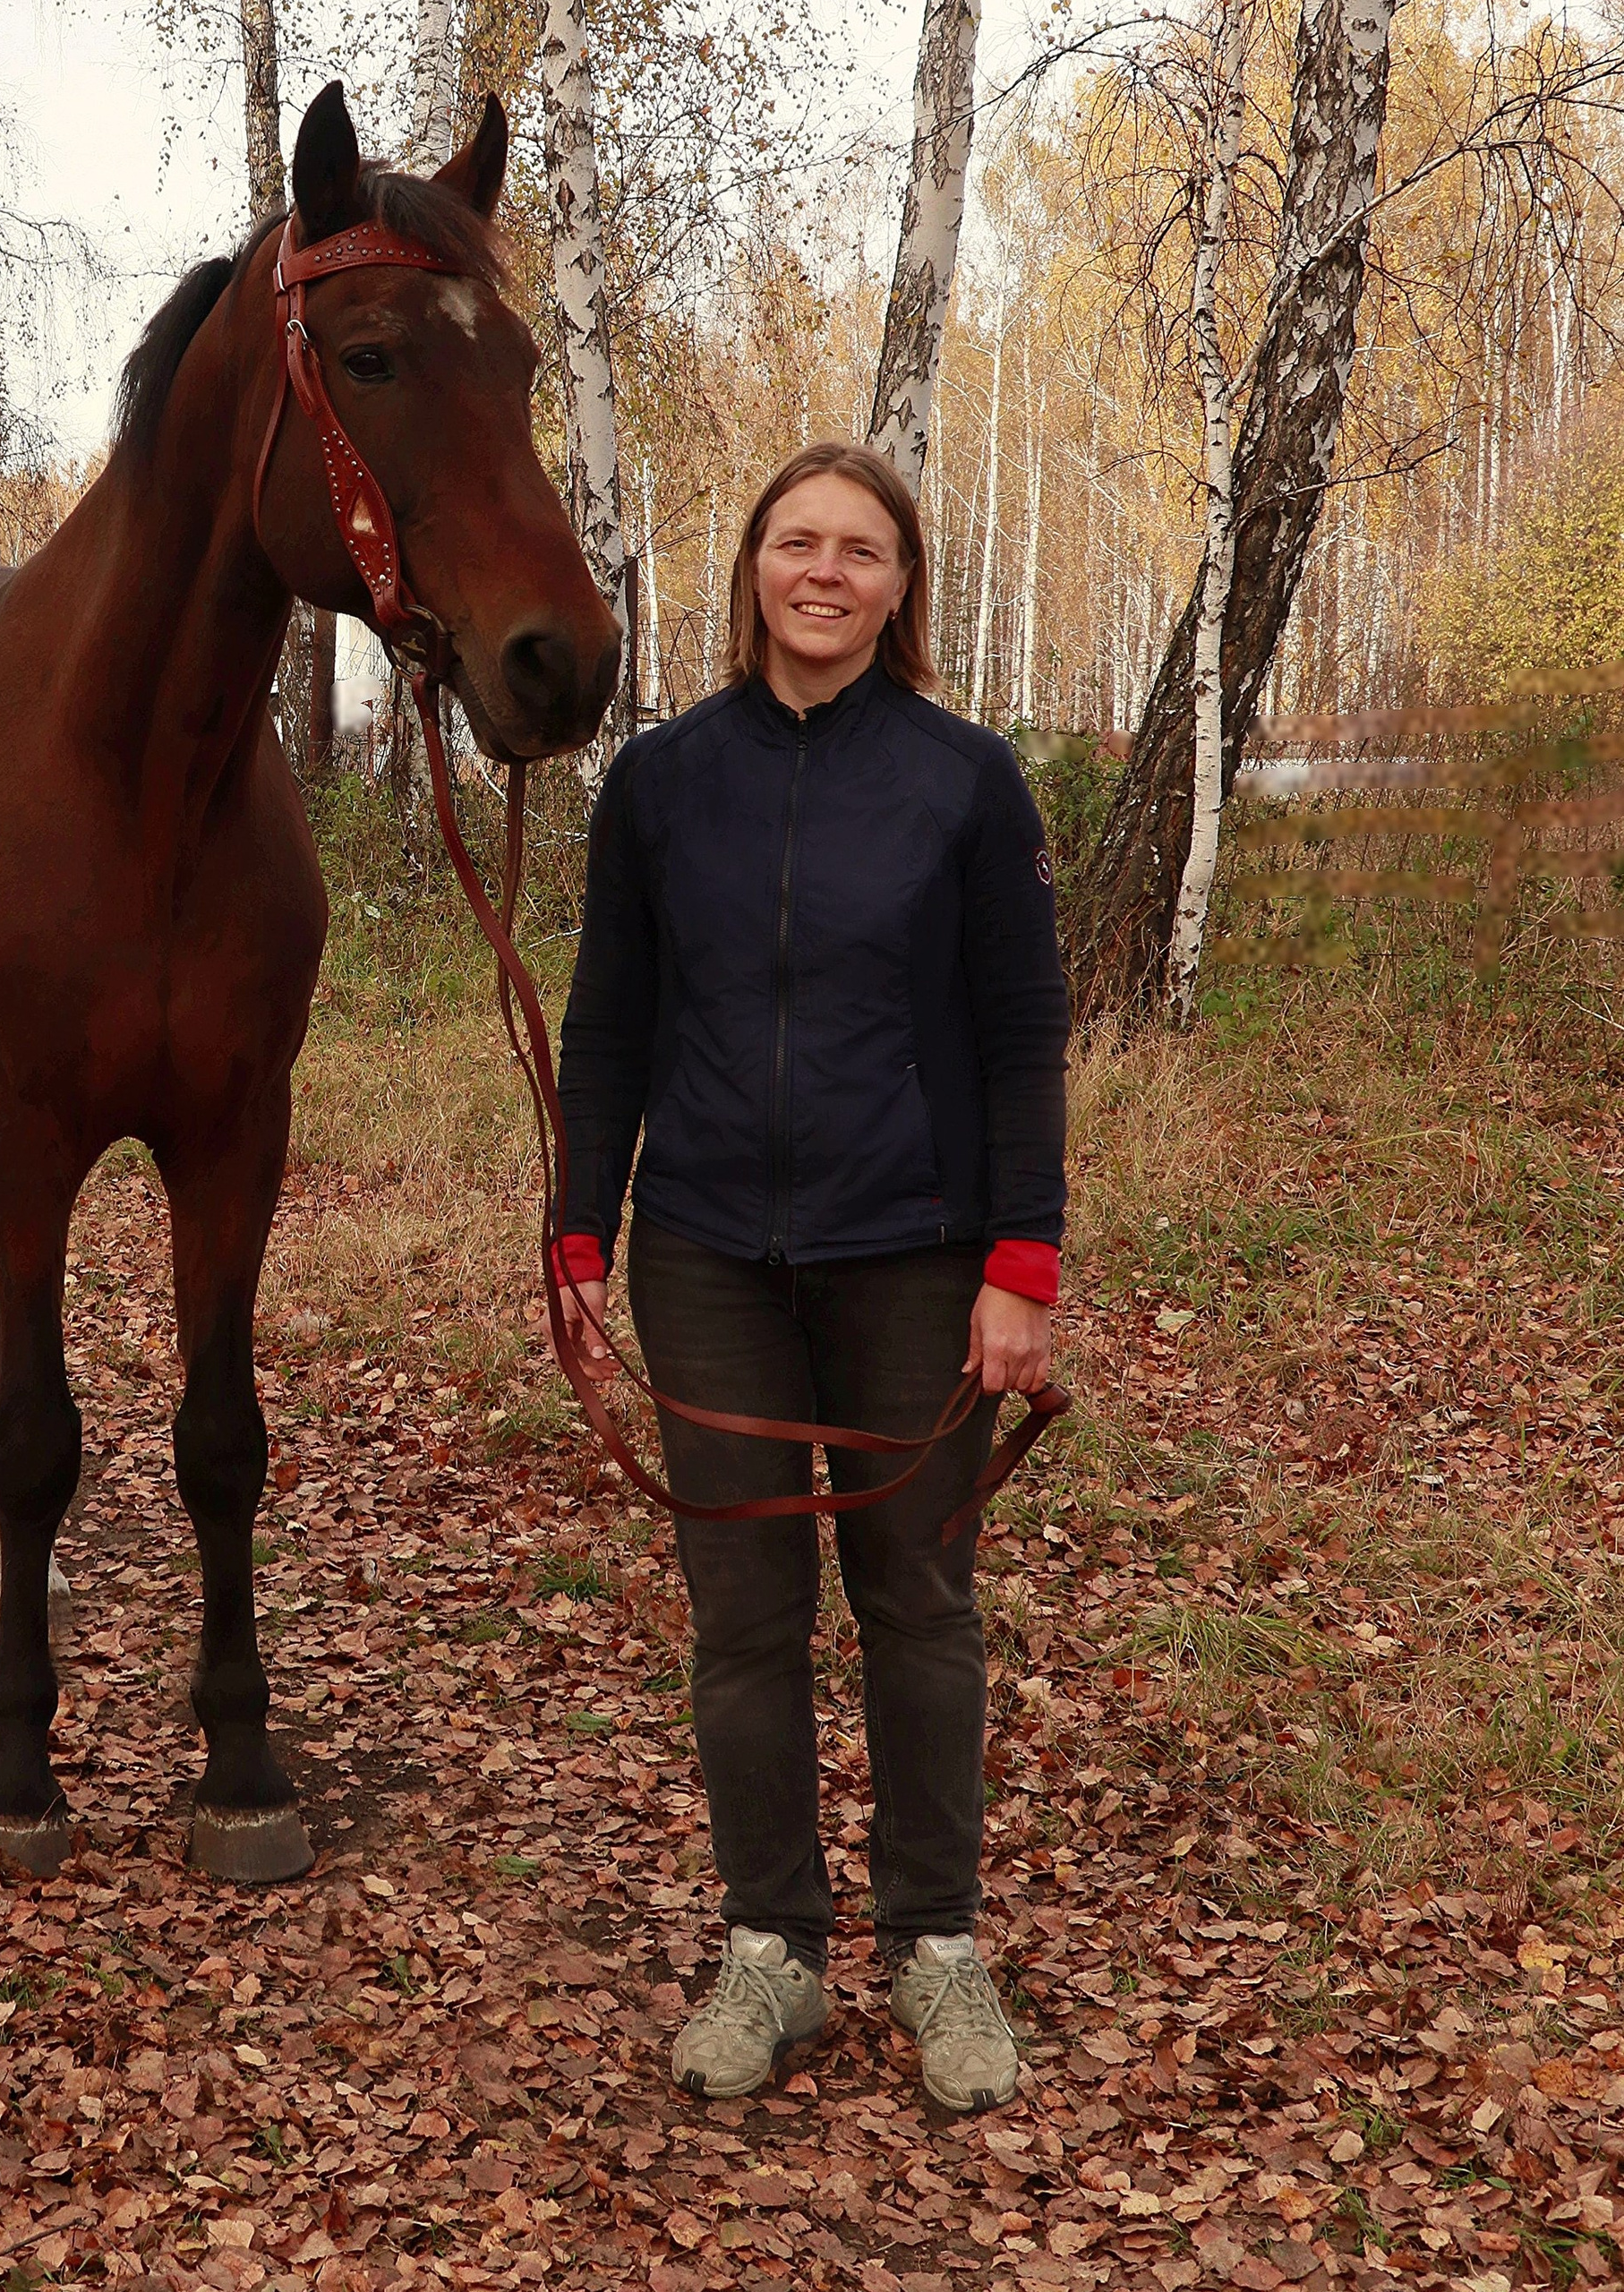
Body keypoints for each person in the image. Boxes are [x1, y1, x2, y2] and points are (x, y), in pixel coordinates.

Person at [551, 440, 1069, 2110]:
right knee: (744, 1624)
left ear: (903, 584)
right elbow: (611, 1022)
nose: (826, 571)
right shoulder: (661, 782)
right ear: (755, 569)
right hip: (707, 1259)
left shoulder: (964, 780)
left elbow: (1017, 1036)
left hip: (917, 1259)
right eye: (797, 542)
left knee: (916, 1603)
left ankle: (939, 1950)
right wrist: (581, 1225)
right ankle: (773, 1947)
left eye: (861, 548)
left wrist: (1023, 1261)